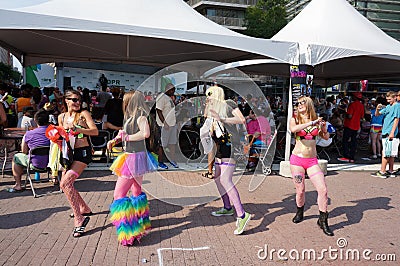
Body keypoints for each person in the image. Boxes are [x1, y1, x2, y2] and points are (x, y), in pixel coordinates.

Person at [107, 90, 155, 246]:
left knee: (119, 195)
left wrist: (126, 137)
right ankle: (141, 223)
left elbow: (145, 134)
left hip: (133, 158)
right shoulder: (131, 117)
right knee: (136, 191)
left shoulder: (141, 117)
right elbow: (123, 132)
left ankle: (130, 232)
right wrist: (115, 140)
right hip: (132, 156)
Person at [205, 86, 251, 235]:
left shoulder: (229, 104)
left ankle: (242, 215)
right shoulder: (213, 108)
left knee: (225, 180)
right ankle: (227, 207)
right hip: (220, 146)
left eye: (210, 95)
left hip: (231, 146)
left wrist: (222, 118)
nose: (208, 98)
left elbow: (241, 119)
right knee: (218, 178)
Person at [289, 96, 333, 236]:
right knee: (300, 191)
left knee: (323, 189)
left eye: (302, 103)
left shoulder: (316, 120)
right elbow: (294, 129)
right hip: (297, 161)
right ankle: (300, 211)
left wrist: (324, 129)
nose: (299, 105)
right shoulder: (295, 119)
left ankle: (323, 221)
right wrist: (312, 122)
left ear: (308, 105)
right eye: (298, 104)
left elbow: (325, 137)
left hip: (312, 161)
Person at [58, 90, 98, 237]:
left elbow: (95, 131)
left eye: (79, 100)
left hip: (83, 153)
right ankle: (84, 208)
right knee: (67, 184)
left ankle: (79, 219)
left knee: (65, 184)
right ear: (66, 100)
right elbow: (62, 137)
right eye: (74, 100)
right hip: (68, 153)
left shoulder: (83, 114)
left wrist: (79, 129)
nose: (77, 103)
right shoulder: (61, 117)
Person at [7, 109, 50, 193]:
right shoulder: (54, 132)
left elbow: (24, 151)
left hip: (35, 163)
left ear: (35, 121)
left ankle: (18, 185)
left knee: (16, 157)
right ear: (48, 120)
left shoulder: (29, 134)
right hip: (52, 163)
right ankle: (55, 179)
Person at [371, 91, 400, 178]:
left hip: (389, 132)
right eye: (387, 99)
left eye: (389, 99)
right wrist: (377, 108)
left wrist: (392, 132)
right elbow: (377, 114)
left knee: (386, 152)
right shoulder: (389, 106)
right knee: (390, 153)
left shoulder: (397, 106)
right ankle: (390, 170)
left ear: (394, 97)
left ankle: (382, 171)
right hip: (388, 131)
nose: (388, 101)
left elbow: (396, 119)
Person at [155, 83, 179, 169]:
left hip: (173, 124)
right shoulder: (161, 97)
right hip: (164, 125)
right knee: (162, 145)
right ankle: (160, 162)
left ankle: (172, 160)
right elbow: (158, 110)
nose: (173, 91)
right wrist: (164, 123)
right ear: (166, 89)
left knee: (172, 143)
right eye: (171, 90)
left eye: (174, 90)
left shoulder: (170, 98)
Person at [337, 92, 364, 163]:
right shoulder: (361, 105)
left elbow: (349, 116)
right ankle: (352, 156)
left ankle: (346, 156)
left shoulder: (352, 105)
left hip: (349, 125)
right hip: (356, 125)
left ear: (355, 97)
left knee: (345, 141)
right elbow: (362, 117)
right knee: (354, 141)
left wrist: (345, 113)